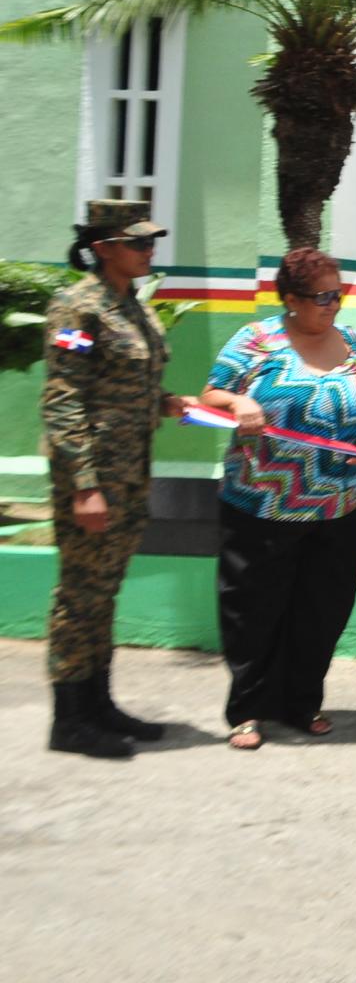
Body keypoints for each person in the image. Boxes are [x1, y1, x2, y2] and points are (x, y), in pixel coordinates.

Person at [200, 248, 356, 750]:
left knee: (323, 609)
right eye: (323, 296)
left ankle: (302, 702)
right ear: (290, 299)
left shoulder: (354, 341)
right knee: (256, 610)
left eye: (339, 294)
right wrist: (241, 401)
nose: (334, 304)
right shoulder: (257, 340)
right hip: (264, 503)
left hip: (340, 503)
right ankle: (247, 710)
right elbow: (210, 395)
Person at [40, 200, 185, 757]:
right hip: (94, 478)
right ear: (103, 248)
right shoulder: (77, 308)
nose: (150, 250)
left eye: (151, 241)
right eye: (139, 242)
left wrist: (170, 403)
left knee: (105, 592)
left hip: (130, 474)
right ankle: (68, 720)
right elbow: (63, 398)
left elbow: (128, 386)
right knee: (79, 596)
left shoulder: (135, 307)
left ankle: (98, 704)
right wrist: (84, 485)